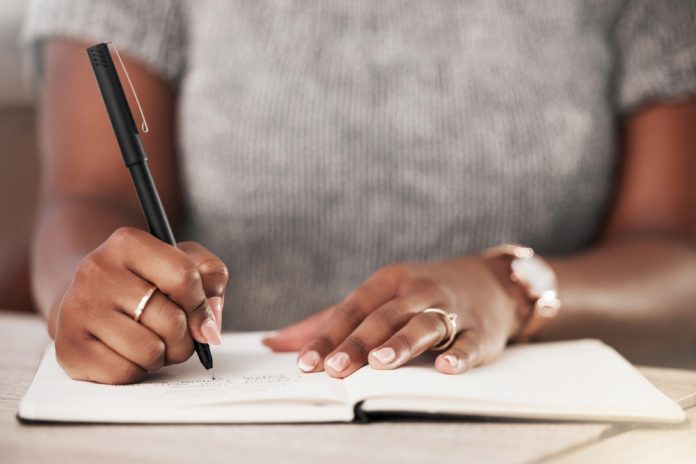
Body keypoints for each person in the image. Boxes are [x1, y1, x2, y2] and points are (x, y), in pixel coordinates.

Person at [23, 0, 696, 384]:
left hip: (540, 433)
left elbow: (677, 255)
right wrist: (84, 295)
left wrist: (509, 290)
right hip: (212, 423)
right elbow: (86, 200)